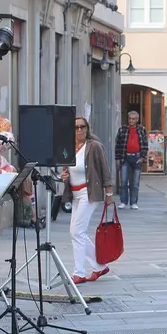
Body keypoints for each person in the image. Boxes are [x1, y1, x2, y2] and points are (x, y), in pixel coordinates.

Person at [61, 116, 114, 284]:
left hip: (89, 193)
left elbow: (105, 170)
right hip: (75, 194)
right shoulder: (69, 147)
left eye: (82, 127)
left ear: (87, 128)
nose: (79, 130)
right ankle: (99, 266)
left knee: (77, 232)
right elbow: (66, 169)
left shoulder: (94, 147)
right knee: (76, 232)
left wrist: (109, 193)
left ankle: (79, 272)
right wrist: (63, 176)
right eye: (76, 127)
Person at [114, 110, 148, 210]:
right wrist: (117, 159)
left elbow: (145, 144)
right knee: (124, 181)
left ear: (137, 120)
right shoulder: (122, 129)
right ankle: (123, 201)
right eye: (130, 119)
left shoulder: (141, 130)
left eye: (133, 119)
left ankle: (133, 202)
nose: (131, 121)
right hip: (125, 157)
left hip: (137, 157)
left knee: (135, 182)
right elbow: (118, 145)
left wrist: (143, 157)